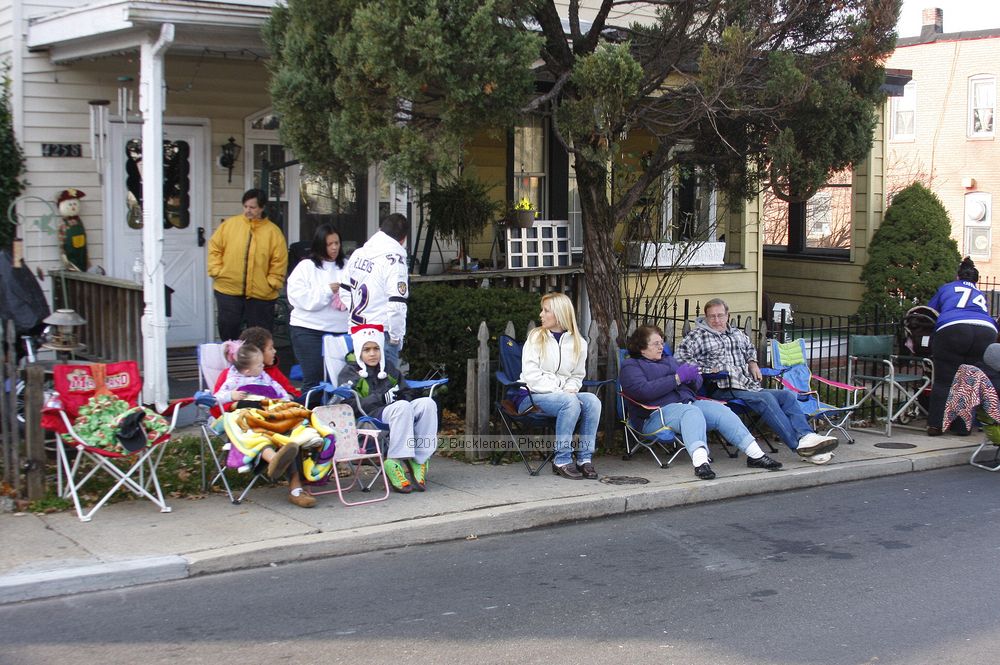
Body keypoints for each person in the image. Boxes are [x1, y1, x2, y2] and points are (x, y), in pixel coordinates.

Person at [674, 298, 839, 464]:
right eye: (712, 317)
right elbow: (680, 359)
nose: (716, 320)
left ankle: (807, 436)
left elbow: (749, 349)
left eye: (720, 315)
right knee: (765, 398)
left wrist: (752, 363)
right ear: (706, 317)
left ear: (727, 315)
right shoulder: (697, 336)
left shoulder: (737, 333)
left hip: (747, 385)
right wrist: (709, 370)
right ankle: (799, 447)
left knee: (787, 396)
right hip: (722, 387)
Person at [620, 325, 782, 479]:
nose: (661, 347)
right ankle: (701, 463)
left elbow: (695, 386)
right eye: (655, 344)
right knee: (691, 412)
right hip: (654, 414)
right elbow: (642, 391)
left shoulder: (669, 360)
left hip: (687, 404)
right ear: (641, 347)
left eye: (662, 343)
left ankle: (756, 455)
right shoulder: (631, 366)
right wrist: (676, 379)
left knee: (721, 411)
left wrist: (693, 378)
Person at [338, 324, 438, 493]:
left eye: (376, 348)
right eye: (367, 349)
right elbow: (348, 406)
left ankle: (419, 459)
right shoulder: (350, 372)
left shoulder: (389, 368)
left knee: (428, 404)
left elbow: (406, 391)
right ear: (359, 351)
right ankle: (395, 460)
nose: (372, 353)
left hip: (398, 410)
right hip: (370, 416)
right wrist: (380, 398)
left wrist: (401, 396)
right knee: (402, 407)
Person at [518, 292, 602, 480]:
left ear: (560, 314)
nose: (541, 314)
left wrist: (570, 389)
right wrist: (562, 391)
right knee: (569, 402)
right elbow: (531, 376)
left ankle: (584, 459)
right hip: (531, 396)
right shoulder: (535, 337)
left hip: (564, 396)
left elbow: (577, 375)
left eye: (546, 310)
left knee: (593, 401)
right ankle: (562, 460)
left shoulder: (579, 343)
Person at [926, 257, 998, 436]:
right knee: (968, 381)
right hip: (985, 330)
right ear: (976, 280)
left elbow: (930, 312)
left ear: (957, 277)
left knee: (944, 380)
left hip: (953, 328)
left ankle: (936, 425)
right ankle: (962, 427)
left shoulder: (947, 288)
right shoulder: (980, 294)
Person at [207, 188, 288, 342]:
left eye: (252, 207)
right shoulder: (229, 225)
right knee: (228, 330)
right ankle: (230, 364)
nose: (248, 211)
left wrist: (272, 283)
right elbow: (214, 248)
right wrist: (216, 271)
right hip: (228, 289)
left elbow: (279, 261)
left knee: (260, 336)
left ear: (262, 208)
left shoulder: (273, 232)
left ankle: (259, 365)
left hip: (261, 293)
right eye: (245, 206)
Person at [286, 223, 350, 391]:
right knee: (313, 379)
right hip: (308, 329)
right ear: (320, 245)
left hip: (341, 330)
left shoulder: (347, 265)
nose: (335, 247)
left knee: (342, 380)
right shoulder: (306, 266)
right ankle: (311, 414)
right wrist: (328, 291)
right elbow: (299, 299)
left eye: (337, 243)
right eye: (330, 244)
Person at [343, 213, 409, 370]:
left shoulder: (358, 253)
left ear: (380, 230)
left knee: (362, 386)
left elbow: (344, 290)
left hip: (357, 331)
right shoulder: (395, 261)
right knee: (386, 389)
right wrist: (395, 337)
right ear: (403, 239)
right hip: (382, 333)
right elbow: (396, 305)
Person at [211, 326, 301, 417]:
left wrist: (288, 398)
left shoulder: (272, 372)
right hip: (241, 420)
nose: (275, 351)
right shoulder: (230, 375)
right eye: (270, 348)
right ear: (257, 352)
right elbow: (215, 406)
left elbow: (292, 392)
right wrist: (236, 404)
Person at [213, 343, 291, 408]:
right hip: (244, 414)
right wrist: (230, 396)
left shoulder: (263, 375)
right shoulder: (233, 380)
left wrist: (285, 400)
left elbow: (276, 386)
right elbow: (215, 399)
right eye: (259, 365)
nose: (263, 366)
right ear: (248, 371)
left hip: (268, 407)